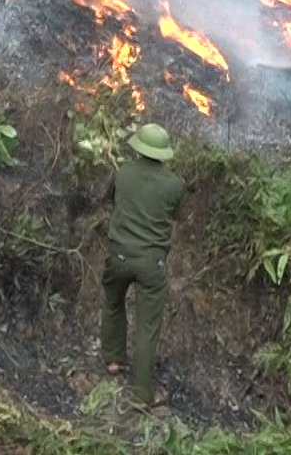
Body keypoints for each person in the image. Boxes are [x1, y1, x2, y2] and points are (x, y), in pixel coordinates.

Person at [102, 123, 186, 408]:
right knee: (147, 327)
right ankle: (141, 395)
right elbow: (179, 216)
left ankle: (113, 359)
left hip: (118, 255)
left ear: (138, 147)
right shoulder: (174, 185)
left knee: (113, 303)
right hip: (151, 262)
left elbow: (108, 200)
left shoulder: (122, 173)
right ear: (163, 154)